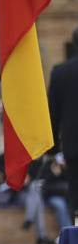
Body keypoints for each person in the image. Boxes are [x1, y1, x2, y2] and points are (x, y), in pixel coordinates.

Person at [48, 27, 78, 219]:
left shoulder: (60, 72)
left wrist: (52, 147)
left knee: (75, 193)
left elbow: (52, 112)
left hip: (73, 146)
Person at [25, 152, 72, 244]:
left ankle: (29, 219)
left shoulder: (68, 170)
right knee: (59, 205)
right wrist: (53, 174)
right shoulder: (48, 168)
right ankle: (68, 234)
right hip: (52, 196)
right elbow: (44, 185)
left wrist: (62, 172)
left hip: (66, 196)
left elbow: (70, 183)